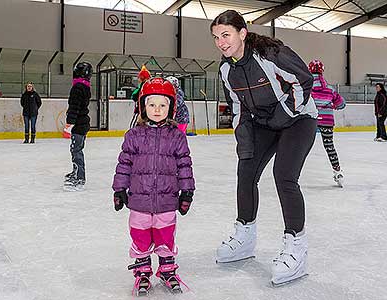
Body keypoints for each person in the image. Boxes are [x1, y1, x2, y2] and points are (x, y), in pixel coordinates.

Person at [211, 10, 318, 286]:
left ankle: (296, 246)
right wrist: (245, 144)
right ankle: (245, 234)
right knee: (246, 170)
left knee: (284, 175)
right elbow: (238, 109)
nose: (221, 42)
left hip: (298, 119)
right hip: (263, 123)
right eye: (216, 37)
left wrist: (284, 115)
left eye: (226, 35)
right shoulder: (226, 70)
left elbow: (303, 80)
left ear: (242, 33)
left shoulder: (270, 54)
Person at [112, 77, 195, 295]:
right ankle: (142, 271)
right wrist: (119, 189)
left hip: (167, 200)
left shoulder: (177, 136)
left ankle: (168, 269)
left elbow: (184, 164)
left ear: (171, 107)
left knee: (165, 235)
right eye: (151, 104)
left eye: (163, 105)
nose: (157, 110)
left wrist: (187, 192)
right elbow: (124, 164)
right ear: (142, 106)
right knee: (140, 235)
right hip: (139, 200)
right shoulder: (133, 136)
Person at [309, 60, 346, 187]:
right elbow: (341, 104)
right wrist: (334, 105)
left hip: (310, 120)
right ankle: (337, 171)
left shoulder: (306, 87)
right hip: (327, 120)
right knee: (329, 146)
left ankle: (291, 171)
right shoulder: (329, 88)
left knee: (301, 146)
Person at [63, 62, 92, 191]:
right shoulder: (85, 86)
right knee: (75, 149)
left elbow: (75, 106)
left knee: (76, 150)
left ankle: (80, 176)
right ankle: (76, 172)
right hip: (82, 123)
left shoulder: (78, 87)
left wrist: (70, 121)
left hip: (79, 124)